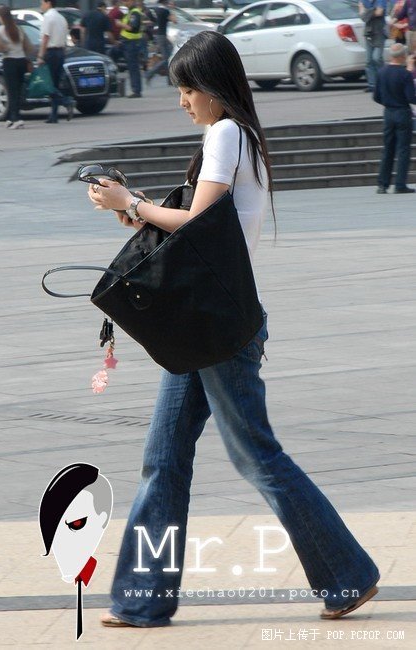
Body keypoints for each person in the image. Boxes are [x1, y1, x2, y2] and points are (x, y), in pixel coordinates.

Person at [85, 31, 381, 629]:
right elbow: (207, 231)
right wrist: (134, 206)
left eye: (187, 89)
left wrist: (132, 205)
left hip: (219, 331)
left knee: (255, 456)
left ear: (214, 88)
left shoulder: (225, 134)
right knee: (163, 458)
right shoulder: (236, 135)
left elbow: (199, 224)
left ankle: (347, 574)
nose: (182, 101)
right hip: (204, 326)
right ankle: (143, 599)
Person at [374, 42, 416, 193]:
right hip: (402, 113)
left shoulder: (381, 72)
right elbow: (411, 97)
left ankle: (382, 184)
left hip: (388, 113)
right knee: (403, 149)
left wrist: (388, 103)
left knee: (388, 149)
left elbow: (376, 96)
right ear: (403, 56)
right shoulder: (405, 74)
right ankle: (400, 184)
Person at [0, 5, 33, 129]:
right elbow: (28, 46)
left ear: (1, 17)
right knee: (18, 90)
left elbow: (1, 48)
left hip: (9, 62)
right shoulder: (18, 29)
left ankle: (16, 119)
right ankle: (11, 118)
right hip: (21, 61)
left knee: (11, 91)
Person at [37, 0, 75, 124]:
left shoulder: (48, 17)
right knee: (56, 83)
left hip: (51, 52)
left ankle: (66, 101)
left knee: (49, 84)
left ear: (48, 3)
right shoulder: (61, 18)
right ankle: (54, 115)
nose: (41, 6)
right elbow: (64, 38)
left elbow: (45, 37)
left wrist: (40, 55)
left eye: (42, 3)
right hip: (60, 52)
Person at [358, 1, 387, 92]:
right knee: (369, 60)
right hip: (369, 32)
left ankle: (383, 82)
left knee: (377, 58)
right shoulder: (363, 1)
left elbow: (380, 12)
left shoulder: (380, 0)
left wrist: (366, 12)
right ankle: (372, 85)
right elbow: (362, 17)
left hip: (379, 32)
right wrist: (373, 10)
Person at [118, 0, 143, 97]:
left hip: (132, 43)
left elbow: (132, 28)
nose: (125, 3)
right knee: (131, 66)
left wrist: (120, 24)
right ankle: (135, 89)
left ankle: (136, 91)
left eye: (126, 1)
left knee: (133, 67)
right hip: (128, 42)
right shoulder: (130, 12)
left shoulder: (135, 12)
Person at [145, 0, 174, 84]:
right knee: (167, 58)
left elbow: (151, 19)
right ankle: (150, 73)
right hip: (162, 36)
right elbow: (174, 20)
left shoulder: (156, 9)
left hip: (158, 35)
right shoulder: (165, 11)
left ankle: (170, 79)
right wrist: (171, 9)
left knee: (169, 56)